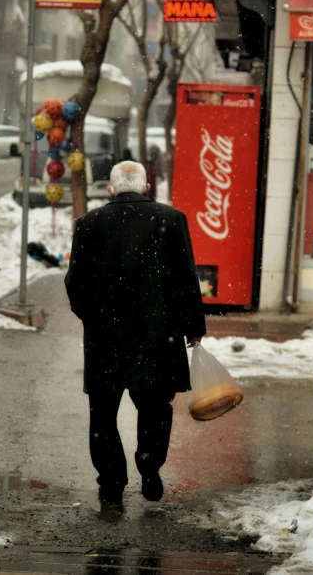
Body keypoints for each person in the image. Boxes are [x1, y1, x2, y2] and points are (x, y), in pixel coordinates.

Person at [64, 161, 205, 504]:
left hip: (104, 338)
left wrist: (92, 317)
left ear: (110, 189)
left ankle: (111, 479)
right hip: (157, 337)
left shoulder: (89, 224)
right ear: (146, 187)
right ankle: (149, 462)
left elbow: (75, 284)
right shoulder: (171, 220)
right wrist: (192, 327)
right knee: (155, 405)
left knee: (103, 413)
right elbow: (186, 278)